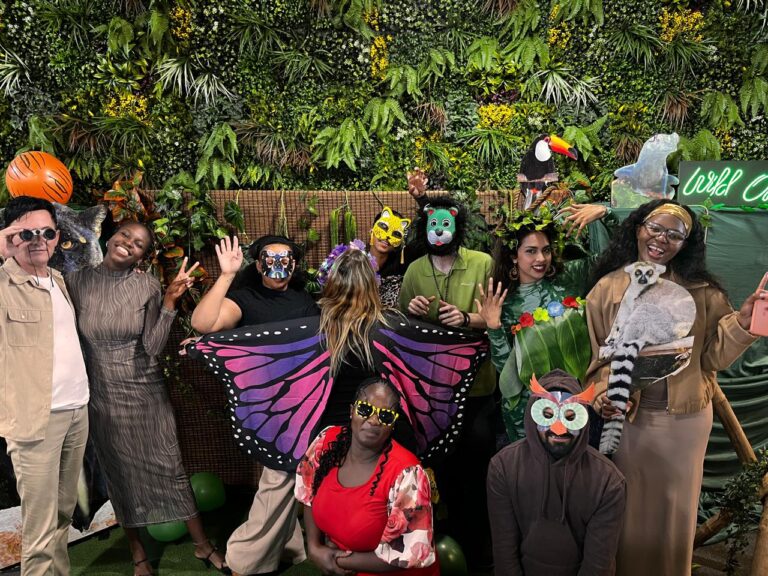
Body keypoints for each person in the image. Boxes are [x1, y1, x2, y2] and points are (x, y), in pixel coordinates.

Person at [585, 199, 763, 576]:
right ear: (637, 227)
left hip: (686, 424)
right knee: (628, 512)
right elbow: (598, 358)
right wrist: (603, 390)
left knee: (675, 519)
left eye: (674, 234)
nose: (661, 239)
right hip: (631, 422)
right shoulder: (607, 289)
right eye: (654, 227)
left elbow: (713, 357)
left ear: (686, 243)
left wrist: (743, 323)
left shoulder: (703, 292)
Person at [65, 220, 229, 576]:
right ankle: (139, 556)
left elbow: (154, 346)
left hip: (146, 392)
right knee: (119, 474)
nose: (129, 243)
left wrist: (170, 299)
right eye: (125, 235)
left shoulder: (146, 285)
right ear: (110, 238)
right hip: (103, 397)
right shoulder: (75, 282)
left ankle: (202, 545)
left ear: (143, 255)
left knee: (170, 468)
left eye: (139, 244)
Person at [191, 234, 319, 576]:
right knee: (279, 476)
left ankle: (289, 547)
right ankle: (244, 559)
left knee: (282, 475)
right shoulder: (244, 298)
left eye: (286, 258)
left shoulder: (303, 299)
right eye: (270, 258)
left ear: (294, 264)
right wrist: (227, 275)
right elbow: (203, 324)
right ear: (259, 263)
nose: (279, 265)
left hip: (300, 403)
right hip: (264, 406)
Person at [397, 194, 494, 569]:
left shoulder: (483, 263)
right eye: (433, 225)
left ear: (457, 224)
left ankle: (478, 547)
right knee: (442, 470)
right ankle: (438, 544)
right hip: (432, 394)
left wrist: (469, 319)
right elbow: (402, 330)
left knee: (476, 467)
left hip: (477, 389)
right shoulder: (414, 270)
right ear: (425, 228)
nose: (440, 231)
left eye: (446, 224)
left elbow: (496, 318)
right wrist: (411, 311)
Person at [0, 196, 90, 576]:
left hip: (76, 412)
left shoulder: (56, 280)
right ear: (10, 236)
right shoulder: (4, 283)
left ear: (56, 238)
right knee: (38, 531)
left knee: (62, 515)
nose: (39, 240)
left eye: (47, 232)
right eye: (27, 232)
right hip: (36, 423)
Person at [476, 204, 613, 442]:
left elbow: (612, 258)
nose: (541, 259)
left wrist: (604, 214)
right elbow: (507, 375)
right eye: (531, 251)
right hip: (530, 410)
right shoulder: (506, 302)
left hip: (577, 401)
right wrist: (494, 327)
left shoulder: (570, 277)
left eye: (546, 250)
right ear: (513, 257)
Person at [486, 370, 626, 576]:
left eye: (571, 417)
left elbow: (598, 566)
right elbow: (504, 552)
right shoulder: (503, 467)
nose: (558, 428)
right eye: (547, 415)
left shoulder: (609, 482)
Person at [295, 378, 437, 576]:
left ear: (393, 423)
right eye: (365, 409)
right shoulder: (326, 442)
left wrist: (337, 560)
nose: (373, 420)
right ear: (352, 410)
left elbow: (409, 554)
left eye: (385, 415)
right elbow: (307, 492)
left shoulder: (407, 473)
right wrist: (314, 546)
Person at [369, 168, 428, 308]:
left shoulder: (403, 260)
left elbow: (429, 235)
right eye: (383, 228)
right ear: (371, 230)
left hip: (393, 323)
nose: (387, 237)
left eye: (395, 234)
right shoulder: (355, 259)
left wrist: (421, 198)